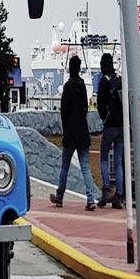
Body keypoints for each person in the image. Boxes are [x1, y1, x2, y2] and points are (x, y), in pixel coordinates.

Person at [50, 56, 99, 210]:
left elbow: (64, 109)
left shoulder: (68, 86)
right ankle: (91, 199)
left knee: (65, 166)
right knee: (85, 166)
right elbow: (85, 107)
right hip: (82, 130)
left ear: (70, 68)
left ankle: (59, 197)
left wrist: (66, 127)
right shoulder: (83, 85)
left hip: (70, 131)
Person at [95, 53, 125, 209]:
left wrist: (104, 119)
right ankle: (119, 196)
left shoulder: (103, 82)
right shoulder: (118, 80)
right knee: (119, 161)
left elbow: (100, 104)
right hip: (121, 125)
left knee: (104, 157)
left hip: (110, 125)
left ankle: (106, 190)